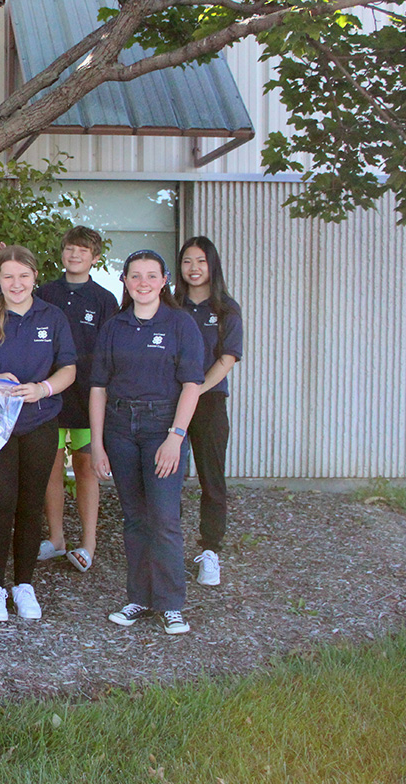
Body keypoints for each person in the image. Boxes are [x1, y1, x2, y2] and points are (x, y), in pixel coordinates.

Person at [90, 250, 204, 634]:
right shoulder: (114, 327)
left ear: (164, 280)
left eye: (151, 276)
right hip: (120, 428)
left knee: (164, 517)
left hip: (162, 428)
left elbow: (192, 385)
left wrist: (176, 436)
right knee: (135, 518)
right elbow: (98, 388)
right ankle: (139, 597)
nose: (143, 283)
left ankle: (170, 604)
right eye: (135, 276)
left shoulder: (180, 324)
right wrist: (98, 445)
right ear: (124, 280)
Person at [0, 247, 76, 621]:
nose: (16, 284)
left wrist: (43, 388)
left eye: (24, 276)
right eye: (9, 276)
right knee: (0, 505)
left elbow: (69, 368)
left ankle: (24, 585)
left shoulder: (53, 317)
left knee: (30, 506)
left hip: (39, 423)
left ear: (35, 277)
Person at [36, 226, 120, 573]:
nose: (74, 255)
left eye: (83, 250)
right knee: (50, 467)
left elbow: (111, 351)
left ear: (95, 258)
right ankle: (56, 538)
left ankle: (88, 543)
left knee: (86, 468)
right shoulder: (45, 293)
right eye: (70, 248)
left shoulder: (104, 300)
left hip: (89, 397)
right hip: (50, 394)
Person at [175, 236, 243, 587]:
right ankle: (168, 548)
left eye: (201, 261)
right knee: (168, 477)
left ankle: (210, 550)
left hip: (209, 400)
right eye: (187, 261)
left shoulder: (227, 308)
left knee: (211, 478)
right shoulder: (171, 305)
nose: (194, 268)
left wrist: (196, 390)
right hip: (171, 402)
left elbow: (227, 358)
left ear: (212, 265)